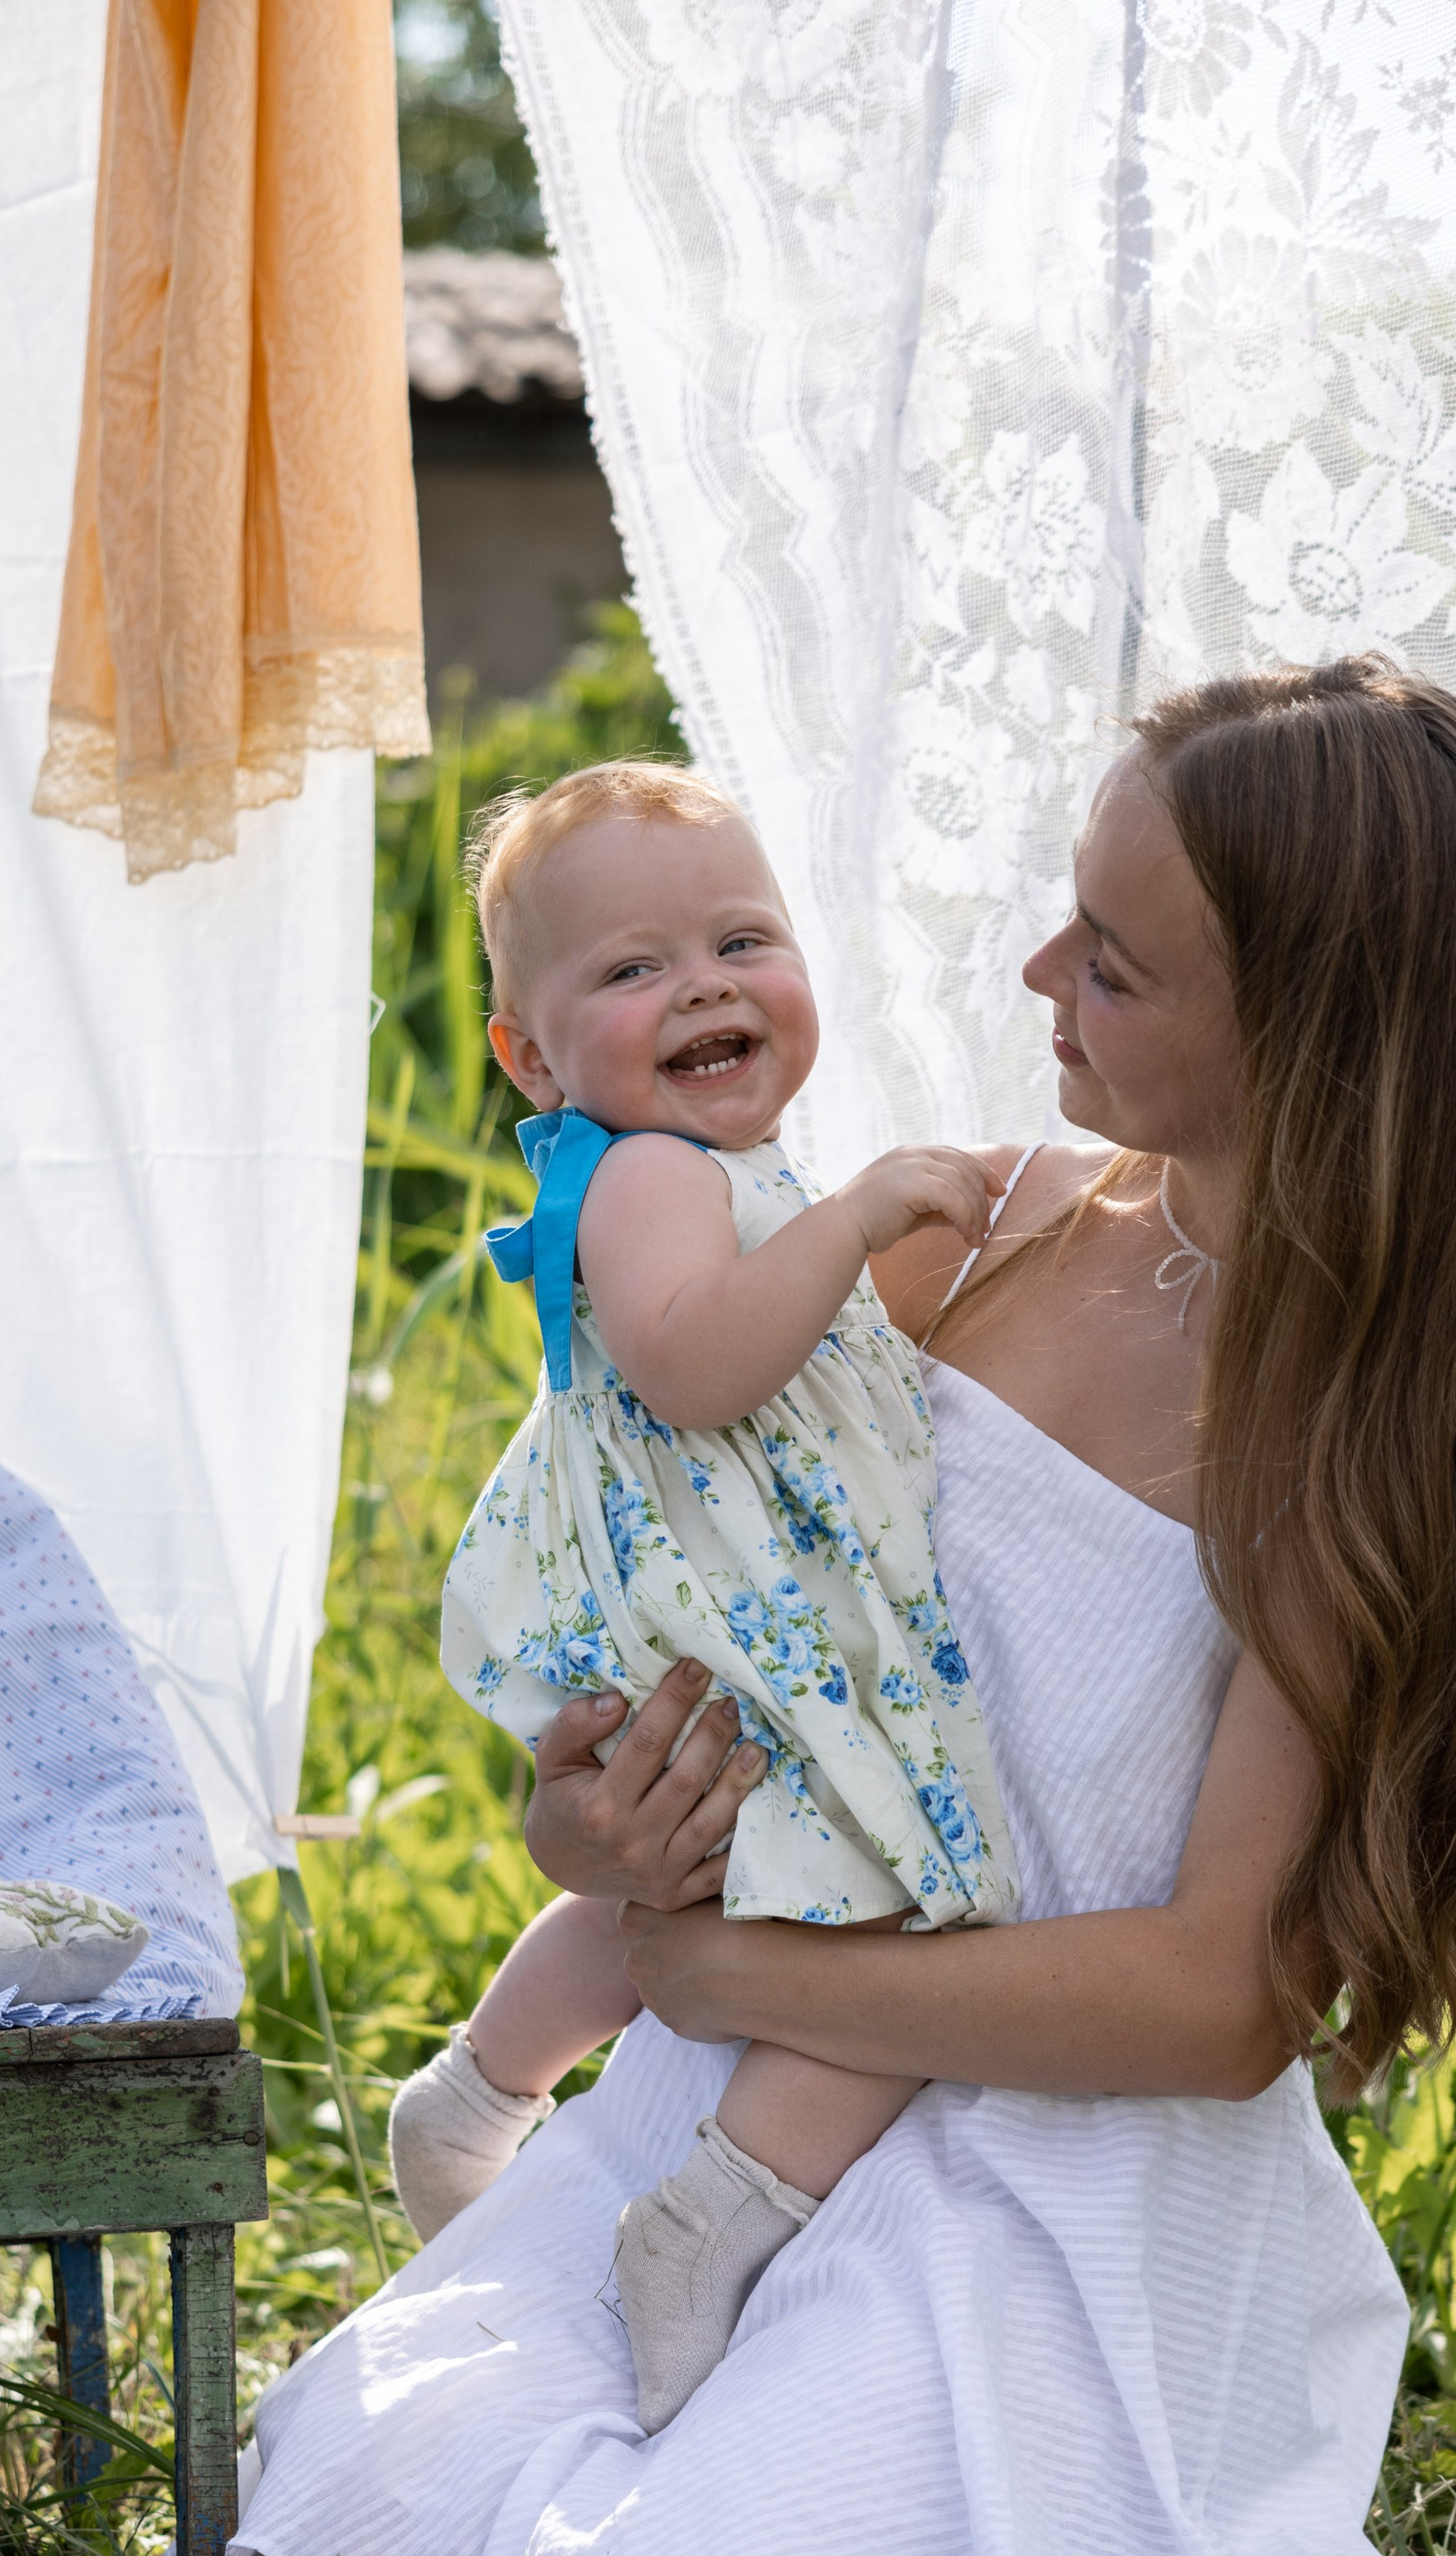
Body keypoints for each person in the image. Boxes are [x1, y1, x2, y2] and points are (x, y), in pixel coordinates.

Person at [222, 658, 1456, 2556]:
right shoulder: (995, 1228)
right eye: (1068, 909)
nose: (1035, 967)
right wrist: (595, 1832)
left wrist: (728, 1969)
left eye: (1116, 961)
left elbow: (1219, 1995)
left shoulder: (1349, 1435)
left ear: (1304, 1026)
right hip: (724, 2094)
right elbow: (711, 1586)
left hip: (1042, 2176)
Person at [390, 762, 1017, 2431]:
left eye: (743, 938)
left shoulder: (704, 1173)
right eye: (633, 968)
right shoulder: (653, 1175)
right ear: (530, 1055)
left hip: (747, 1604)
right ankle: (714, 2213)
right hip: (739, 1614)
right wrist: (864, 1219)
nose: (708, 986)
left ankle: (477, 2093)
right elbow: (694, 1366)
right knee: (906, 1908)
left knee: (714, 1879)